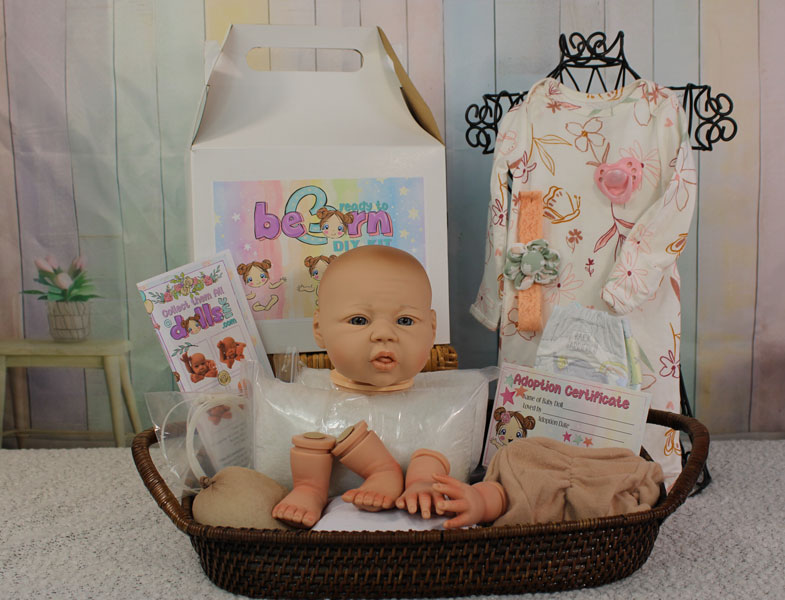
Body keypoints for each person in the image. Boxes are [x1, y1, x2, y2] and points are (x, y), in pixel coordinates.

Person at [272, 245, 452, 528]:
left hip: (414, 501)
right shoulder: (304, 394)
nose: (383, 334)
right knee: (310, 442)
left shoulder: (443, 404)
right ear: (319, 328)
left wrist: (424, 480)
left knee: (430, 458)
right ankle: (310, 488)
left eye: (405, 320)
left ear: (432, 329)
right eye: (359, 320)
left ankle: (389, 474)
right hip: (318, 480)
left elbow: (445, 453)